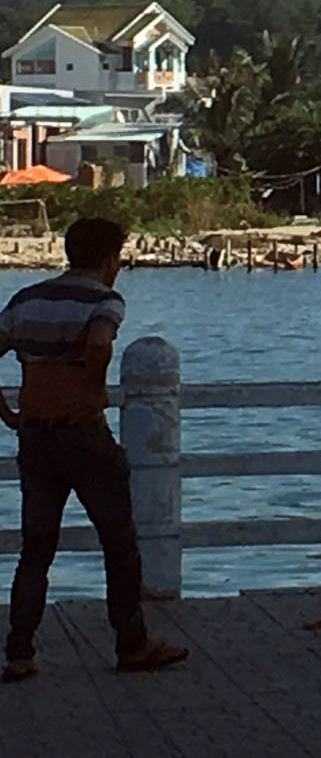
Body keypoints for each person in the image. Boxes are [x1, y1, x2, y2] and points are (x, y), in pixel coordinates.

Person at [1, 218, 186, 683]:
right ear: (108, 259)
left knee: (36, 548)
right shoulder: (104, 301)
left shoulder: (26, 300)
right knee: (118, 542)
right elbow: (101, 341)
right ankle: (132, 643)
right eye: (118, 257)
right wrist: (90, 386)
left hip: (36, 435)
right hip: (83, 434)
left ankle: (19, 651)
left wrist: (6, 413)